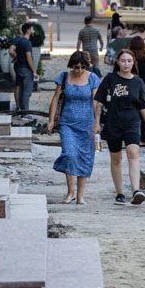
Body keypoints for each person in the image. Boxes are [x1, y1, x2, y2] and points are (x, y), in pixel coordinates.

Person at [96, 48, 145, 205]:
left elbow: (144, 106)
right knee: (116, 158)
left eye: (129, 61)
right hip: (113, 123)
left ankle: (136, 190)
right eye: (123, 60)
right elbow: (98, 102)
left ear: (133, 63)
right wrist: (95, 124)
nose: (126, 64)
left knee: (133, 151)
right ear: (117, 62)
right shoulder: (110, 79)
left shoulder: (138, 82)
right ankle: (120, 193)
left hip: (132, 122)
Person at [48, 52, 102, 205]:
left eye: (82, 67)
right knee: (70, 154)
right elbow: (55, 98)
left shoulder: (92, 78)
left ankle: (80, 195)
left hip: (87, 125)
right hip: (67, 123)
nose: (79, 70)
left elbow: (96, 102)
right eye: (76, 67)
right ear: (71, 65)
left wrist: (97, 123)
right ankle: (70, 191)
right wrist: (51, 120)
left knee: (85, 157)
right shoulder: (64, 77)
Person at [9, 22, 37, 112]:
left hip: (18, 67)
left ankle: (20, 109)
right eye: (32, 29)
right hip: (26, 69)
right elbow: (28, 57)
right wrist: (34, 70)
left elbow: (13, 51)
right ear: (28, 31)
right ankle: (25, 112)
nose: (34, 31)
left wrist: (17, 57)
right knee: (26, 92)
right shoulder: (27, 43)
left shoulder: (19, 41)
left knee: (20, 89)